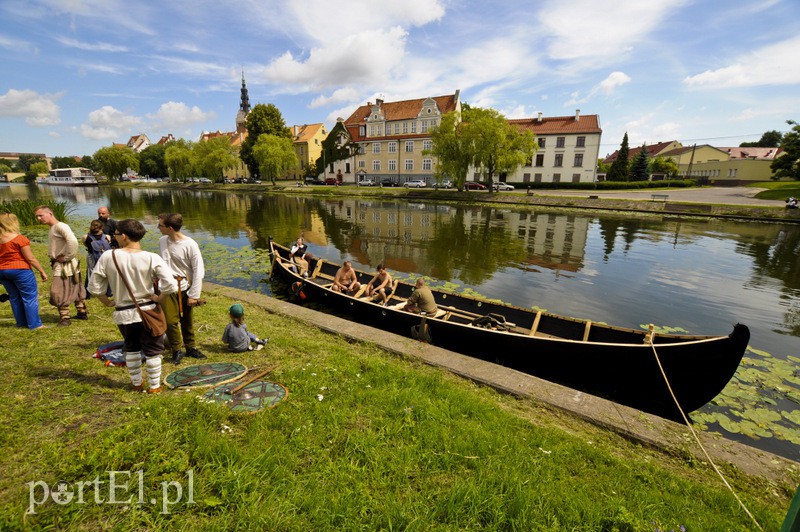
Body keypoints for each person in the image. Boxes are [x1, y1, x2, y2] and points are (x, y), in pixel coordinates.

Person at [88, 219, 178, 394]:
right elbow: (171, 285)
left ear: (123, 236)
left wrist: (107, 302)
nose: (114, 238)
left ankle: (136, 383)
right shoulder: (152, 258)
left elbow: (94, 287)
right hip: (148, 311)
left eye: (115, 235)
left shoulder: (109, 256)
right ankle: (154, 386)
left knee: (131, 347)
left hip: (124, 313)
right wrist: (160, 298)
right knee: (153, 350)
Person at [157, 213, 206, 364]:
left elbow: (199, 270)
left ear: (170, 228)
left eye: (160, 225)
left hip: (184, 286)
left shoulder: (190, 244)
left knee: (186, 320)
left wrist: (194, 295)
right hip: (167, 286)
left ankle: (191, 348)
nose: (158, 228)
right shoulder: (162, 241)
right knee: (170, 321)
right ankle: (176, 350)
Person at [34, 205, 88, 326]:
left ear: (50, 214)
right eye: (37, 216)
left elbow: (72, 241)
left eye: (41, 215)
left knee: (58, 291)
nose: (39, 218)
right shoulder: (54, 227)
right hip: (67, 264)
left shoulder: (60, 226)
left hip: (65, 265)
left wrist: (67, 256)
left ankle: (65, 318)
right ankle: (81, 312)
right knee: (75, 286)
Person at [0, 213, 48, 329]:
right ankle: (35, 324)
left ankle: (21, 323)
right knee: (29, 297)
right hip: (20, 270)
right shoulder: (19, 239)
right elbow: (30, 258)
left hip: (2, 271)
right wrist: (41, 270)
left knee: (14, 297)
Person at [83, 220, 112, 298]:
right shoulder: (107, 237)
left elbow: (86, 245)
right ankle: (108, 292)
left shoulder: (86, 237)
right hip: (105, 257)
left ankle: (89, 293)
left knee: (91, 273)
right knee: (107, 273)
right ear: (102, 227)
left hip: (92, 257)